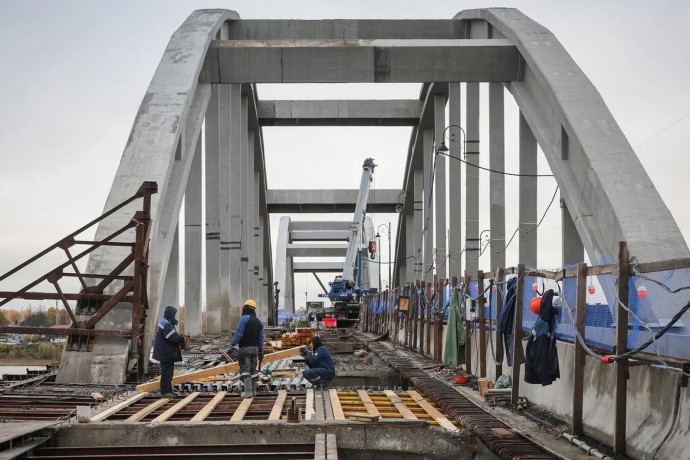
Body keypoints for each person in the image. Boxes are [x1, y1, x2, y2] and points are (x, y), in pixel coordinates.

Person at [228, 299, 264, 398]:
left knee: (245, 370)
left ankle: (248, 393)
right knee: (253, 370)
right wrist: (261, 351)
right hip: (255, 349)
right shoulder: (259, 321)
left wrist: (232, 345)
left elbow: (239, 334)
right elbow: (261, 338)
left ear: (245, 308)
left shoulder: (244, 319)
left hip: (244, 349)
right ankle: (253, 392)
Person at [152, 306, 185, 398]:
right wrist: (181, 339)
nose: (175, 316)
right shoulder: (166, 324)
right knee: (166, 372)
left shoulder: (166, 323)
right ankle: (165, 391)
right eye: (174, 314)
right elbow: (172, 337)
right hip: (165, 353)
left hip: (166, 353)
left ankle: (168, 389)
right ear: (170, 314)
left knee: (169, 372)